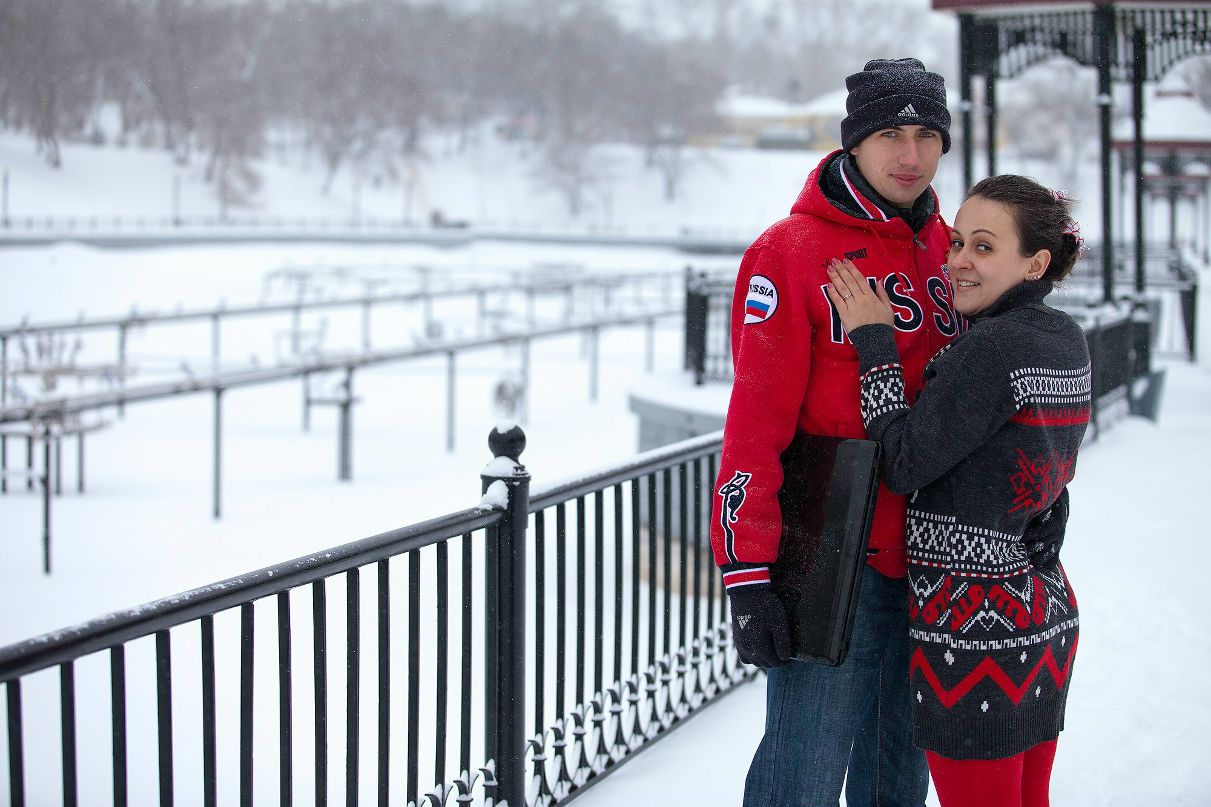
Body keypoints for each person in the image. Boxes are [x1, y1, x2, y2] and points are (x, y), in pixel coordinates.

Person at [709, 58, 956, 807]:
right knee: (801, 781)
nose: (910, 155)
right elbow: (755, 424)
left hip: (935, 559)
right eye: (890, 135)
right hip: (834, 561)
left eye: (927, 135)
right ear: (853, 142)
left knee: (898, 781)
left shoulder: (950, 249)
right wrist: (747, 572)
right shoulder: (789, 251)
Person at [825, 174, 1090, 807]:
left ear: (1036, 264)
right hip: (1042, 611)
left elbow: (903, 462)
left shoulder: (992, 349)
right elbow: (1045, 459)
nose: (959, 261)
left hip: (976, 630)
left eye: (984, 247)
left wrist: (874, 341)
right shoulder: (1065, 338)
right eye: (958, 242)